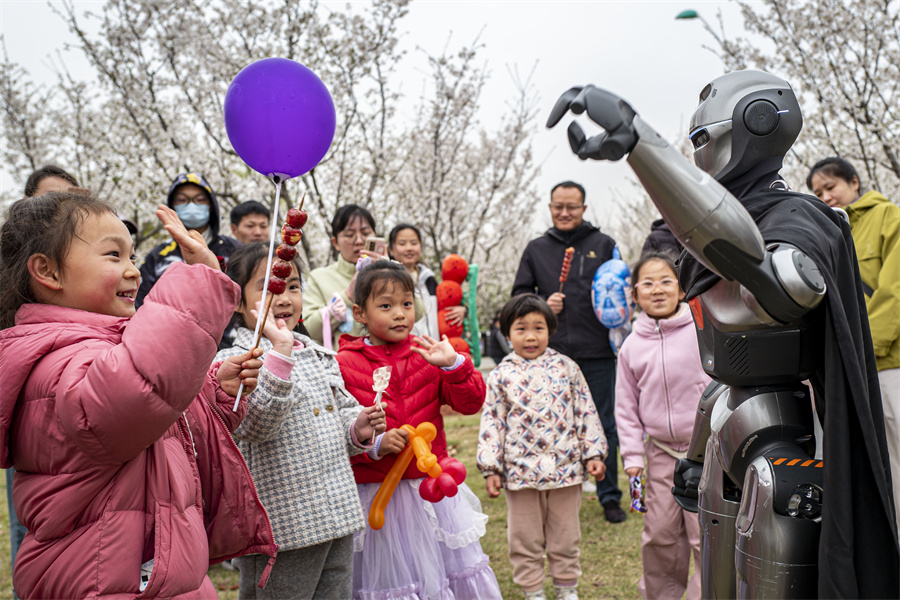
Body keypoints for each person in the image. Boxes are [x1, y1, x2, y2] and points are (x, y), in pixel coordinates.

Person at [548, 70, 898, 597]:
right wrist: (693, 455)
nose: (697, 156)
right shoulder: (728, 228)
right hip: (726, 421)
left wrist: (641, 146)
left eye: (701, 141)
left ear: (753, 126)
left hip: (781, 439)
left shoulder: (800, 222)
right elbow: (722, 371)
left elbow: (775, 287)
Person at [0, 191, 277, 598]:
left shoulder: (101, 351)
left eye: (133, 256)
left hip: (154, 569)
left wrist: (214, 391)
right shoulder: (54, 359)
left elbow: (156, 427)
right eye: (113, 256)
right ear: (48, 272)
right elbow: (134, 393)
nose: (133, 271)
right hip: (104, 577)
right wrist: (199, 280)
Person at [215, 243, 385, 599]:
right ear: (237, 300)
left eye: (293, 286)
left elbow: (341, 413)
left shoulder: (322, 355)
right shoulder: (234, 361)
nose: (284, 296)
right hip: (283, 526)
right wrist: (279, 354)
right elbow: (257, 425)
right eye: (268, 287)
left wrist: (358, 427)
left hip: (336, 511)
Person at [336, 260, 502, 599]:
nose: (399, 314)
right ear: (360, 312)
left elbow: (471, 403)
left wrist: (455, 366)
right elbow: (340, 432)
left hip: (430, 492)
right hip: (376, 493)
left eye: (406, 304)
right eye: (386, 305)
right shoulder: (343, 364)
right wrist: (375, 443)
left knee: (442, 573)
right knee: (391, 579)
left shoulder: (429, 354)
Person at [477, 294, 608, 600]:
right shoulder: (500, 376)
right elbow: (492, 423)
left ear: (550, 330)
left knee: (566, 536)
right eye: (521, 329)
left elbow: (585, 411)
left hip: (566, 470)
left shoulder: (567, 368)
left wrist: (593, 452)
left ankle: (566, 589)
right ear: (506, 332)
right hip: (520, 474)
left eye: (539, 327)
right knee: (524, 539)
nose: (531, 336)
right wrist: (490, 467)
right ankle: (533, 590)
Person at [512, 181, 625, 523]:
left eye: (571, 207)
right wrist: (542, 305)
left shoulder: (603, 244)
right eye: (558, 206)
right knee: (552, 423)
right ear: (549, 207)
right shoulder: (536, 249)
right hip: (552, 354)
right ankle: (555, 489)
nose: (564, 213)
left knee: (605, 424)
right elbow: (518, 297)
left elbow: (621, 290)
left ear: (583, 209)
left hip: (598, 351)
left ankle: (610, 496)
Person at [807, 157, 900, 524]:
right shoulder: (821, 233)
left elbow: (894, 292)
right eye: (817, 192)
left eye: (831, 187)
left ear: (855, 181)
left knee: (894, 458)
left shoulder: (888, 218)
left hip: (886, 363)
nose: (826, 196)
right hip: (843, 369)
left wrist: (864, 350)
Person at [615, 252, 709, 600]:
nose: (658, 290)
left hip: (707, 453)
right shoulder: (631, 346)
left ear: (682, 288)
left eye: (667, 281)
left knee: (705, 535)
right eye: (648, 284)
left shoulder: (703, 330)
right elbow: (625, 408)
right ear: (635, 294)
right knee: (660, 536)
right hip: (660, 455)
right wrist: (633, 457)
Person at [303, 205, 423, 348]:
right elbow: (309, 330)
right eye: (349, 235)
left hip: (391, 361)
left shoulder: (389, 273)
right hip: (343, 366)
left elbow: (419, 313)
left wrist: (389, 270)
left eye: (366, 233)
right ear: (335, 243)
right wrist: (347, 297)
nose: (359, 241)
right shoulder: (320, 277)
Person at [136, 172, 240, 307]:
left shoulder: (234, 250)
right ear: (173, 205)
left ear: (211, 205)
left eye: (200, 200)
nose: (191, 205)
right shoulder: (158, 257)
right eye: (182, 200)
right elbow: (141, 304)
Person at [388, 223, 465, 338]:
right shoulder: (387, 281)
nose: (409, 248)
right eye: (402, 243)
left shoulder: (429, 280)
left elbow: (444, 308)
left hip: (435, 350)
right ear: (391, 250)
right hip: (406, 352)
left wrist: (462, 310)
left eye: (414, 243)